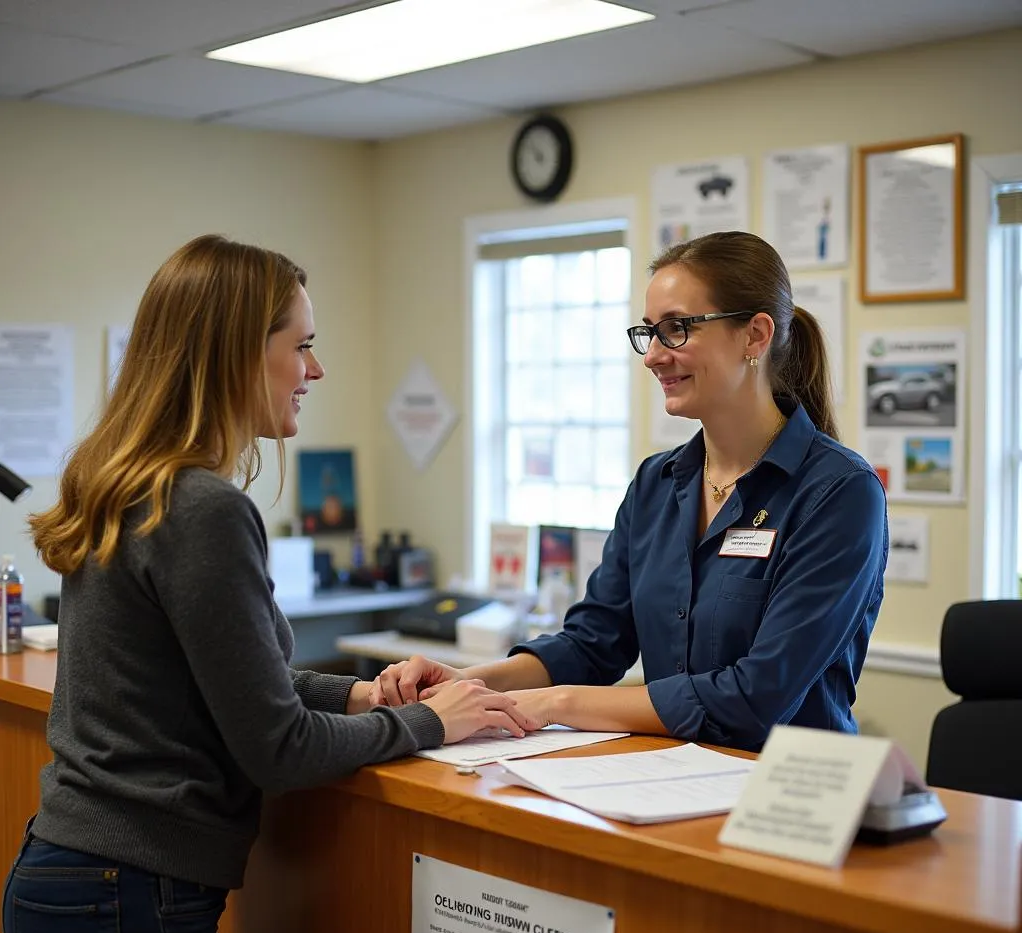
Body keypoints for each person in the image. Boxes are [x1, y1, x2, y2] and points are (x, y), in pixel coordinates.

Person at [1, 235, 535, 933]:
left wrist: (360, 694)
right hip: (124, 901)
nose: (315, 372)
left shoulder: (132, 483)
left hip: (73, 885)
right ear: (234, 354)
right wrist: (426, 722)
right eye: (303, 346)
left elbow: (226, 680)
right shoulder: (205, 509)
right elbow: (278, 750)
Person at [373, 231, 888, 752]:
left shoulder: (839, 493)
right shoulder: (656, 485)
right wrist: (465, 683)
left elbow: (754, 698)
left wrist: (555, 704)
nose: (654, 356)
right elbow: (593, 644)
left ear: (755, 336)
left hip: (787, 803)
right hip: (664, 784)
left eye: (677, 329)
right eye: (649, 333)